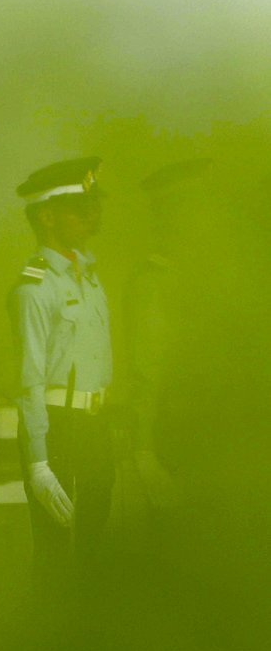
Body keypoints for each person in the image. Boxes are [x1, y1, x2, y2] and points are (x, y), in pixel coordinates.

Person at [8, 156, 113, 585]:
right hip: (57, 428)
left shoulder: (88, 278)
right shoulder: (35, 287)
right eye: (77, 207)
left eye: (91, 205)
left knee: (95, 556)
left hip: (94, 425)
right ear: (46, 216)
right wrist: (39, 463)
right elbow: (28, 381)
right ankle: (48, 648)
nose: (90, 216)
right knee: (54, 558)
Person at [123, 159, 210, 514]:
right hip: (183, 438)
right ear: (164, 219)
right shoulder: (154, 280)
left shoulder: (218, 271)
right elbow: (147, 368)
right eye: (183, 209)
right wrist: (144, 450)